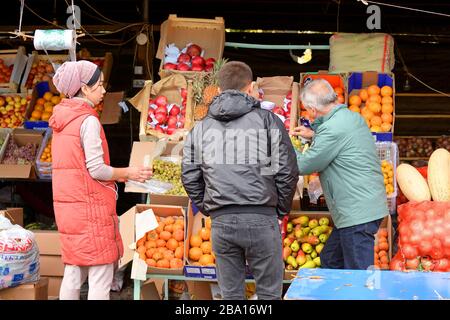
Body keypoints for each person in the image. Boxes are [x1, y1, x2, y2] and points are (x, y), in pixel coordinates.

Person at [182, 61, 299, 300]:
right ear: (250, 88)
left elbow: (190, 175)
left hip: (222, 223)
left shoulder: (200, 128)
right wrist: (279, 209)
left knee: (231, 296)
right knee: (268, 295)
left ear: (219, 88)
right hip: (262, 217)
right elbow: (287, 170)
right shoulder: (268, 120)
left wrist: (210, 207)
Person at [49, 60, 152, 300]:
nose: (104, 90)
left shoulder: (61, 120)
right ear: (85, 88)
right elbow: (96, 170)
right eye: (100, 85)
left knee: (74, 273)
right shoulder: (88, 120)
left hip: (69, 209)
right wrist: (128, 173)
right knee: (101, 273)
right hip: (91, 208)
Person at [291, 78, 388, 270]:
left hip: (357, 212)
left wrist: (285, 144)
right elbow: (340, 138)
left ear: (312, 109)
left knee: (357, 275)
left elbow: (303, 164)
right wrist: (315, 134)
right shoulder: (351, 117)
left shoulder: (332, 128)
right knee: (331, 259)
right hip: (362, 207)